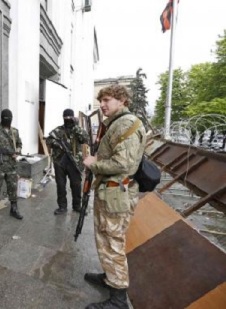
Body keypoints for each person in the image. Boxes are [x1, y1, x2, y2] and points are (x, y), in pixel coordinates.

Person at [82, 85, 146, 309]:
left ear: (122, 100)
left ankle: (118, 300)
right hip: (110, 193)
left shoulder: (125, 123)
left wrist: (94, 164)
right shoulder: (116, 123)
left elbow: (124, 164)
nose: (102, 105)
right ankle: (110, 277)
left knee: (113, 243)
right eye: (101, 100)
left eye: (107, 100)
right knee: (106, 239)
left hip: (116, 194)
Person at [46, 109, 89, 215]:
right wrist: (56, 144)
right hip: (60, 162)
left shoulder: (77, 130)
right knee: (60, 185)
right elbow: (48, 140)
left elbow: (85, 139)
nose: (68, 120)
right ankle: (62, 206)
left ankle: (77, 206)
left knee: (76, 185)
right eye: (66, 118)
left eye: (70, 118)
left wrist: (76, 127)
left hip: (74, 162)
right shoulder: (58, 130)